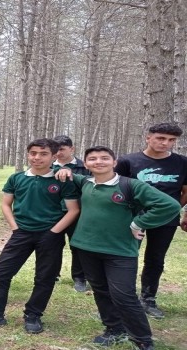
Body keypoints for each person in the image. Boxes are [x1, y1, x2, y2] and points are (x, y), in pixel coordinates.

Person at [67, 146, 179, 350]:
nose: (98, 162)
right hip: (86, 248)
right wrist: (63, 170)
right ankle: (114, 330)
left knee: (124, 295)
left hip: (119, 251)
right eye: (92, 159)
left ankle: (143, 340)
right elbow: (69, 175)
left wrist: (139, 223)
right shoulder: (84, 182)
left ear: (114, 162)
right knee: (101, 291)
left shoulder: (131, 185)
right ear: (85, 164)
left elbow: (169, 205)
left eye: (104, 158)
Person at [0, 138, 80, 334]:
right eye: (33, 153)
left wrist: (54, 232)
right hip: (22, 233)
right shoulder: (17, 178)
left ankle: (33, 315)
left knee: (45, 277)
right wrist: (15, 227)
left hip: (50, 235)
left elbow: (73, 210)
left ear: (53, 156)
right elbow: (5, 204)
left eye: (43, 154)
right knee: (2, 272)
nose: (37, 158)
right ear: (28, 155)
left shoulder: (62, 180)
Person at [114, 122, 187, 319]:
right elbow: (117, 188)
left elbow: (185, 191)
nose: (166, 143)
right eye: (161, 138)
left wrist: (175, 211)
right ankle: (123, 299)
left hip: (166, 219)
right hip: (133, 217)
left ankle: (148, 299)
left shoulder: (182, 162)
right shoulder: (128, 161)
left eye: (171, 140)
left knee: (156, 258)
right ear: (148, 137)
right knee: (126, 257)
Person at [52, 135, 91, 292]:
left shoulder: (85, 167)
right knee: (51, 245)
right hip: (53, 213)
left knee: (78, 245)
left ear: (72, 149)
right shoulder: (47, 166)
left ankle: (80, 278)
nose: (58, 153)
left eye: (62, 149)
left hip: (78, 213)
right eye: (55, 150)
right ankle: (51, 274)